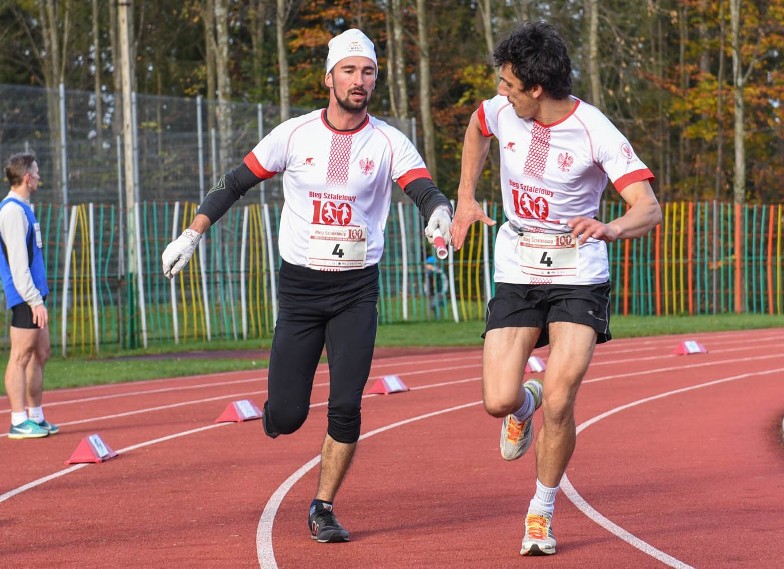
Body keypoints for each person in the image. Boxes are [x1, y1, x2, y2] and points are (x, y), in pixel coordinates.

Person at [161, 28, 452, 544]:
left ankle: (322, 506)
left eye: (368, 72)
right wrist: (192, 233)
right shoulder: (293, 135)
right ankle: (280, 412)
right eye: (349, 70)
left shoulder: (388, 141)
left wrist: (438, 214)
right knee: (289, 415)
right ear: (329, 78)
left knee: (346, 404)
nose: (359, 81)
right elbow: (234, 182)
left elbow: (423, 188)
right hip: (299, 290)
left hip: (356, 290)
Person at [450, 21, 662, 556]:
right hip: (518, 263)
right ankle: (525, 406)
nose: (499, 92)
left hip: (576, 274)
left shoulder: (596, 130)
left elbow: (648, 207)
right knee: (497, 400)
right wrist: (466, 197)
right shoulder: (500, 110)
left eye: (507, 84)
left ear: (536, 89)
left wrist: (612, 227)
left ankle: (540, 512)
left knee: (563, 400)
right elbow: (477, 127)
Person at [1, 153, 57, 439]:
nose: (38, 177)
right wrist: (33, 299)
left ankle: (35, 414)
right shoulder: (11, 211)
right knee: (20, 356)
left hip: (36, 294)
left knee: (41, 352)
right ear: (26, 178)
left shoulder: (24, 208)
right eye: (36, 172)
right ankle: (18, 419)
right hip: (24, 295)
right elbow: (18, 264)